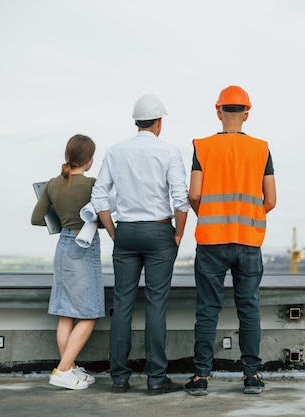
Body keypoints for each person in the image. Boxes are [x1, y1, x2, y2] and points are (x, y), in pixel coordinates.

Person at [91, 94, 190, 395]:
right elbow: (181, 200)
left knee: (122, 305)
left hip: (127, 232)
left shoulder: (116, 151)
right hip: (159, 232)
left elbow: (98, 196)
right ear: (159, 122)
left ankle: (119, 378)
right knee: (155, 305)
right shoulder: (169, 151)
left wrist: (112, 232)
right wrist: (178, 235)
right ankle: (156, 378)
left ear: (137, 121)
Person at [185, 85, 277, 396]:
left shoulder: (203, 146)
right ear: (247, 113)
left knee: (207, 308)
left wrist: (209, 214)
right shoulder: (261, 149)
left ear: (218, 111)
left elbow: (194, 194)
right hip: (248, 241)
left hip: (211, 240)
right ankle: (251, 375)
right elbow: (271, 200)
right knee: (249, 308)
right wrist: (248, 217)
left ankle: (201, 378)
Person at [31, 134, 103, 390]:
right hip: (83, 248)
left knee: (66, 313)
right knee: (90, 313)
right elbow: (102, 218)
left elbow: (37, 218)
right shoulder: (93, 184)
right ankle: (62, 371)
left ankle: (70, 368)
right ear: (89, 159)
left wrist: (64, 221)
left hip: (62, 247)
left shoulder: (52, 184)